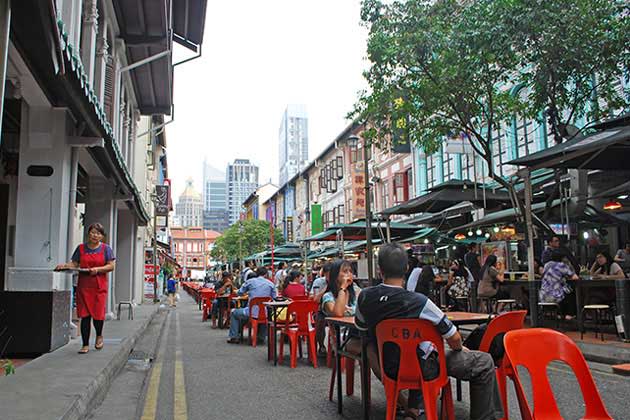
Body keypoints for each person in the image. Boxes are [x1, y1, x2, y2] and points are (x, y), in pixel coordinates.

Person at [355, 242, 504, 420]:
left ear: (380, 269)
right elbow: (454, 337)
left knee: (420, 350)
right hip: (425, 367)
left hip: (389, 367)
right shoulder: (419, 302)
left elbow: (363, 331)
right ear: (407, 268)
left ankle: (414, 408)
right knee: (484, 361)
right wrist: (459, 348)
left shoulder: (364, 297)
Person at [56, 223, 116, 354]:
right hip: (84, 286)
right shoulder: (81, 248)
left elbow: (111, 266)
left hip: (99, 286)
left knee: (98, 314)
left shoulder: (106, 249)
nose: (95, 235)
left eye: (98, 233)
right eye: (93, 232)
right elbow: (75, 263)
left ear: (102, 236)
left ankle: (99, 335)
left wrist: (98, 269)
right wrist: (65, 265)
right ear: (89, 233)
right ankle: (85, 344)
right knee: (85, 315)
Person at [227, 266, 276, 344]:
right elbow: (274, 299)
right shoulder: (271, 284)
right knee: (265, 313)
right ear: (266, 274)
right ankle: (261, 337)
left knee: (234, 312)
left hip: (250, 312)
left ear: (256, 273)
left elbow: (240, 292)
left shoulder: (250, 282)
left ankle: (234, 337)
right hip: (264, 313)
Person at [539, 250, 579, 315]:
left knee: (565, 289)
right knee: (570, 291)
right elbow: (575, 277)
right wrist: (568, 264)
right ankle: (569, 314)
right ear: (563, 258)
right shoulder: (562, 265)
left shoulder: (547, 265)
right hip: (554, 296)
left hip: (543, 296)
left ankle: (559, 314)